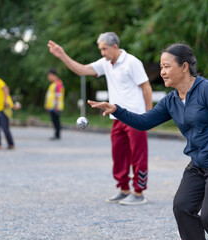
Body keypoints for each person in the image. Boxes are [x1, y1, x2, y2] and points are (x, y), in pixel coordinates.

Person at [88, 43, 208, 239]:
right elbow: (144, 122)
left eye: (167, 66)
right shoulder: (171, 101)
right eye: (161, 67)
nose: (162, 72)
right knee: (182, 208)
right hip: (199, 162)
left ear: (184, 67)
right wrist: (117, 110)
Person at [47, 32, 153, 205]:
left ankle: (139, 193)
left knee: (138, 155)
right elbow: (82, 70)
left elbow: (146, 86)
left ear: (115, 47)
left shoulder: (132, 62)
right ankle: (124, 189)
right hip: (117, 116)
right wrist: (62, 55)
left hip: (136, 116)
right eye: (100, 49)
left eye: (104, 49)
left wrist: (149, 116)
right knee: (118, 155)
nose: (102, 52)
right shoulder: (106, 63)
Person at [44, 69, 65, 140]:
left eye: (49, 76)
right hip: (52, 107)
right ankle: (56, 134)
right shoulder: (53, 84)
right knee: (54, 121)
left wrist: (56, 106)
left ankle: (57, 135)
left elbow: (58, 95)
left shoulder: (58, 84)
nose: (48, 78)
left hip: (56, 107)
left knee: (56, 121)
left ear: (54, 75)